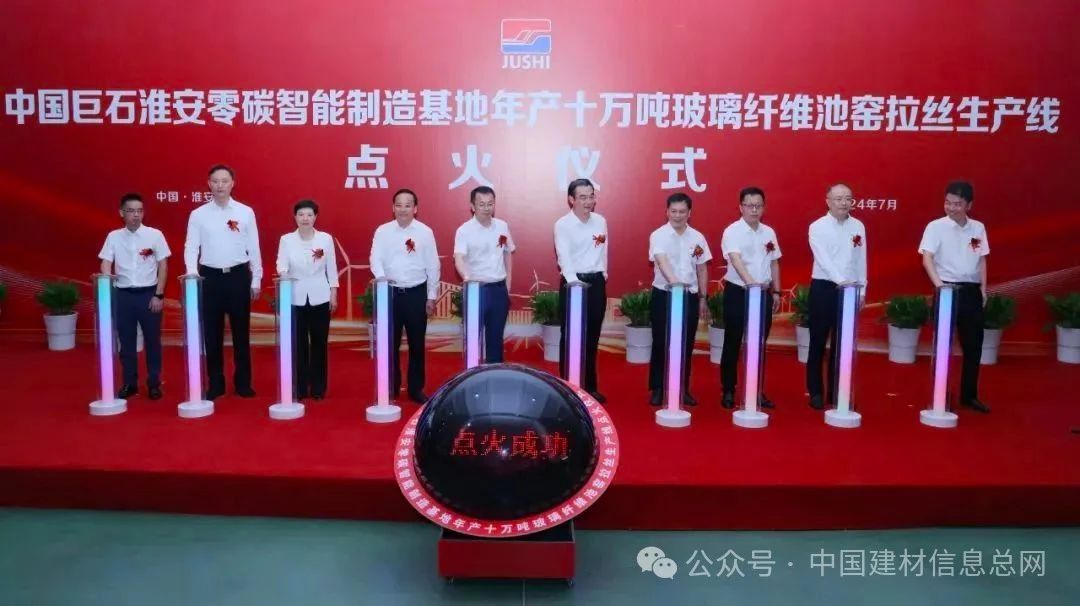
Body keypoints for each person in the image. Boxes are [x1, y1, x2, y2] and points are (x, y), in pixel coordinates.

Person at [183, 164, 262, 400]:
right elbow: (191, 247)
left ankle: (243, 383)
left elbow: (254, 247)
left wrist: (256, 278)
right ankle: (216, 383)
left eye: (224, 181)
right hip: (210, 278)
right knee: (211, 334)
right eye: (215, 181)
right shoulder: (198, 214)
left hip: (238, 276)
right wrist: (192, 273)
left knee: (241, 333)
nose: (220, 185)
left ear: (232, 183)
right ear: (209, 184)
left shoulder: (245, 212)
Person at [918, 181, 991, 413]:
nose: (951, 208)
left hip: (971, 291)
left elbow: (981, 260)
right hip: (946, 289)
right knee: (943, 346)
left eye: (957, 204)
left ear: (969, 205)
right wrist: (940, 286)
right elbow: (927, 258)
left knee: (973, 345)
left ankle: (969, 395)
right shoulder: (935, 227)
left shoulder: (978, 228)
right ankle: (940, 393)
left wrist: (983, 289)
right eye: (948, 203)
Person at [369, 189, 440, 403]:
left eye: (407, 205)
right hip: (390, 293)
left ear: (415, 209)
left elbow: (433, 264)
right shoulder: (383, 231)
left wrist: (431, 295)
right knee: (389, 343)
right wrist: (381, 279)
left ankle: (415, 388)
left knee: (417, 344)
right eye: (398, 205)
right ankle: (390, 387)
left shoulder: (425, 232)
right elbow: (375, 258)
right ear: (393, 208)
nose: (403, 209)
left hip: (416, 293)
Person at [98, 193, 170, 400]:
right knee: (126, 342)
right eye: (131, 211)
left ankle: (154, 383)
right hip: (123, 295)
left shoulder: (155, 235)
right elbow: (105, 262)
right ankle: (130, 383)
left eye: (139, 211)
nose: (136, 215)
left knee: (153, 341)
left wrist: (159, 294)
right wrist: (106, 279)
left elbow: (163, 265)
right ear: (122, 213)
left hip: (149, 295)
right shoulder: (114, 236)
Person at [719, 186, 782, 410]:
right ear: (741, 207)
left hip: (763, 294)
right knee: (733, 342)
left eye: (758, 205)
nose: (754, 209)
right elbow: (736, 260)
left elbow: (774, 262)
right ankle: (728, 389)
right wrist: (751, 284)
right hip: (738, 292)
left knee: (758, 344)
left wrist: (776, 291)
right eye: (749, 205)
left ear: (763, 207)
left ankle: (756, 389)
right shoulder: (732, 231)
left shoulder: (769, 232)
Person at [806, 183, 867, 410]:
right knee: (818, 342)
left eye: (848, 198)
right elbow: (823, 259)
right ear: (828, 201)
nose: (844, 203)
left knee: (842, 344)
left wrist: (862, 289)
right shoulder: (817, 227)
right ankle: (816, 391)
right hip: (824, 288)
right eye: (839, 198)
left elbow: (861, 259)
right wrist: (842, 281)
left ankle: (836, 391)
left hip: (850, 290)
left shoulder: (858, 226)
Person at [647, 192, 711, 407]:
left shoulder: (697, 237)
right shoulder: (658, 235)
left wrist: (702, 297)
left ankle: (682, 388)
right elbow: (662, 261)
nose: (677, 215)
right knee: (660, 342)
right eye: (673, 211)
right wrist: (676, 284)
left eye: (682, 211)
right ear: (667, 212)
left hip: (690, 296)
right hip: (664, 295)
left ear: (689, 213)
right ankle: (657, 388)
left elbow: (702, 268)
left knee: (686, 343)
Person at [276, 200, 339, 400]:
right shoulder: (286, 240)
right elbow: (281, 264)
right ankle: (300, 387)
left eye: (309, 215)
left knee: (319, 344)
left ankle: (318, 388)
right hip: (295, 297)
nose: (305, 218)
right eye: (301, 214)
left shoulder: (325, 239)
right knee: (298, 344)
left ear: (315, 217)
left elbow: (332, 268)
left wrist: (334, 292)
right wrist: (284, 274)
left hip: (321, 297)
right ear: (295, 217)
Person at [554, 178, 608, 403]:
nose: (588, 201)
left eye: (591, 196)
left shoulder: (600, 221)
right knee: (571, 338)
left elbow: (603, 251)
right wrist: (575, 283)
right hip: (573, 285)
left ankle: (590, 387)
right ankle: (568, 388)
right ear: (571, 200)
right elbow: (563, 257)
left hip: (596, 283)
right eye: (583, 197)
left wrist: (603, 274)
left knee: (592, 337)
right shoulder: (563, 224)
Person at [453, 185, 515, 363]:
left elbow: (507, 253)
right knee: (473, 340)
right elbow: (459, 258)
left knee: (496, 339)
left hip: (498, 290)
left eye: (490, 204)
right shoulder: (464, 230)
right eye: (482, 204)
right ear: (472, 206)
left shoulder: (502, 226)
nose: (487, 208)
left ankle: (494, 376)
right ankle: (472, 375)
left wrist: (508, 283)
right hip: (476, 291)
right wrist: (468, 279)